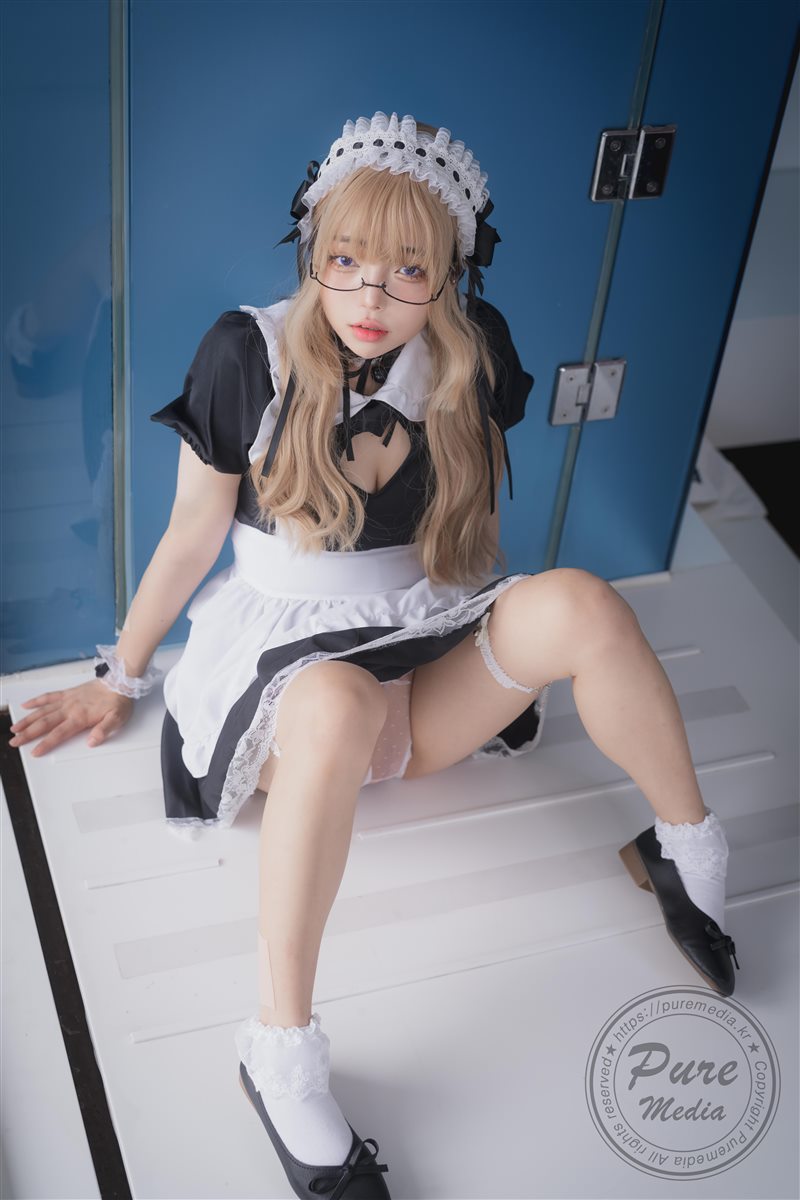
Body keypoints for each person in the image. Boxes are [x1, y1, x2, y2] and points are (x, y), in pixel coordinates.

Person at [7, 111, 740, 1198]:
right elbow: (192, 534)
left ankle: (685, 851)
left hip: (415, 660)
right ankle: (278, 1048)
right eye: (345, 260)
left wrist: (495, 646)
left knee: (582, 602)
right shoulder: (247, 352)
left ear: (448, 274)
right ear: (312, 248)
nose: (370, 296)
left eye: (407, 270)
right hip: (293, 689)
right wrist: (122, 674)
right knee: (339, 702)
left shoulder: (467, 352)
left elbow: (475, 534)